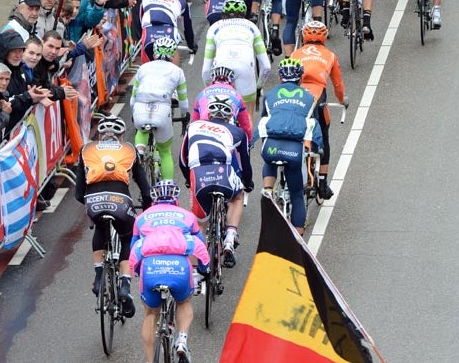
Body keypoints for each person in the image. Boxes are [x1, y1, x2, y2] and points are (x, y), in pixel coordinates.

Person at [76, 115, 152, 315]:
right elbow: (145, 188)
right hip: (120, 201)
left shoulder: (86, 149)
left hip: (94, 200)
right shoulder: (129, 149)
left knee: (100, 228)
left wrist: (91, 205)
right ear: (121, 135)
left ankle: (99, 276)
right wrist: (146, 206)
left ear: (99, 135)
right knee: (128, 237)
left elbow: (78, 192)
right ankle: (125, 286)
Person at [130, 179, 209, 363]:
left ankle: (150, 361)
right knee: (184, 303)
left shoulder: (142, 218)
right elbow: (200, 245)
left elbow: (133, 250)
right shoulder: (187, 216)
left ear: (154, 198)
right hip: (179, 267)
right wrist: (204, 270)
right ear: (176, 198)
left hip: (151, 267)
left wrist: (138, 272)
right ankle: (182, 339)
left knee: (150, 313)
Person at [179, 97, 253, 268]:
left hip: (198, 174)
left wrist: (188, 180)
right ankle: (229, 237)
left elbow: (183, 159)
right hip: (223, 172)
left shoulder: (193, 126)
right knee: (237, 197)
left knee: (199, 225)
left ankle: (196, 273)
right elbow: (245, 164)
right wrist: (247, 183)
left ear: (209, 114)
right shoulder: (237, 132)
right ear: (230, 117)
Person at [258, 58, 322, 235]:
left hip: (271, 147)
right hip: (293, 150)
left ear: (280, 78)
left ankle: (268, 190)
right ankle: (299, 238)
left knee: (269, 156)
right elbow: (314, 126)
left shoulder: (269, 95)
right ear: (300, 78)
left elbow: (264, 124)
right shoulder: (310, 98)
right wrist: (317, 149)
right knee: (296, 194)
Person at [293, 20, 348, 199]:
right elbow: (338, 85)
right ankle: (323, 182)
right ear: (324, 37)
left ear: (304, 36)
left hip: (296, 95)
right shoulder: (330, 55)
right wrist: (342, 100)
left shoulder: (295, 54)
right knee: (324, 136)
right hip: (318, 97)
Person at [130, 35, 189, 180]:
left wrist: (134, 114)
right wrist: (184, 117)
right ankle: (168, 188)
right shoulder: (177, 72)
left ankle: (140, 152)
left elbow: (132, 99)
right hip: (162, 111)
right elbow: (183, 102)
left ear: (155, 53)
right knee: (165, 152)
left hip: (141, 107)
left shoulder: (143, 68)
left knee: (141, 128)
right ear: (173, 54)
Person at [201, 0, 271, 119]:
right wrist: (258, 87)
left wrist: (210, 87)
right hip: (245, 71)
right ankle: (246, 138)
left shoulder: (214, 28)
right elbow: (266, 66)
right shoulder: (252, 27)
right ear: (244, 14)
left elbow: (206, 70)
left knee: (217, 113)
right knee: (247, 116)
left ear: (223, 14)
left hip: (221, 71)